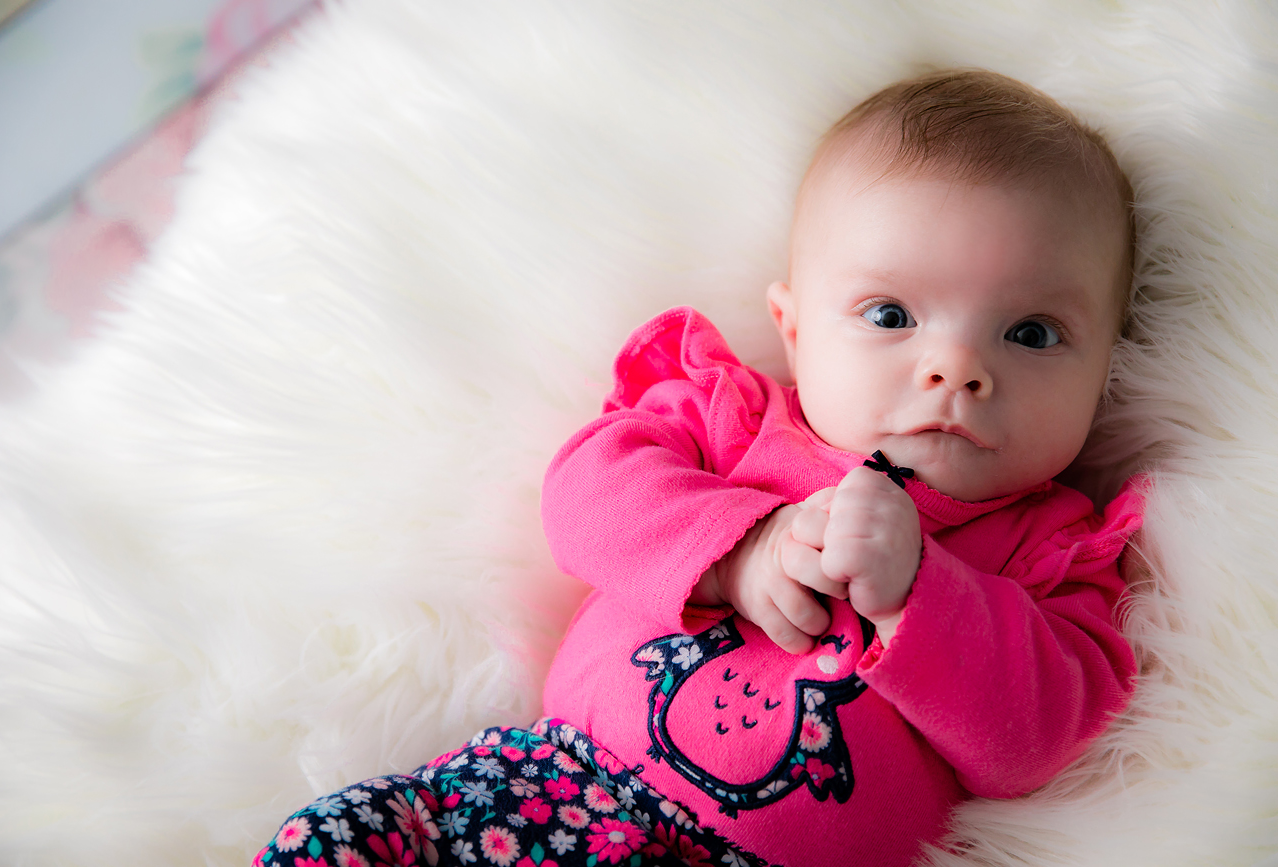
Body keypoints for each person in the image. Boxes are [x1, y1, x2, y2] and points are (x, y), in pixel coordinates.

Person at [255, 68, 1143, 867]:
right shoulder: (736, 421)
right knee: (336, 839)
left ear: (1106, 370)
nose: (955, 368)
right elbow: (588, 490)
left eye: (1031, 332)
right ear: (794, 328)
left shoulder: (1056, 551)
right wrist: (740, 548)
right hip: (554, 788)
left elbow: (1043, 739)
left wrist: (918, 590)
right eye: (890, 315)